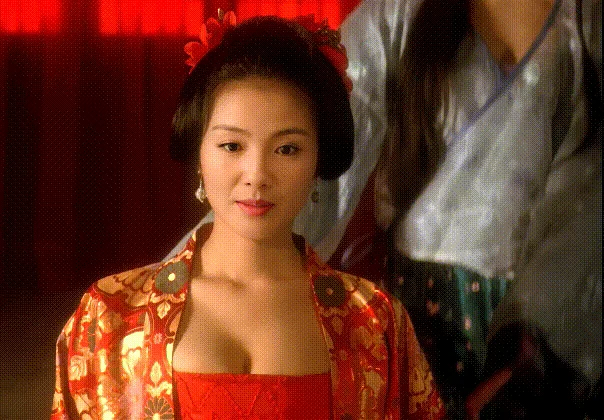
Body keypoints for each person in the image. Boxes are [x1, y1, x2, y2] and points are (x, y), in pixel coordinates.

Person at [178, 0, 601, 418]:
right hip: (420, 305)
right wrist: (198, 282)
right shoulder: (399, 15)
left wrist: (536, 351)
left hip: (556, 307)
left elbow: (590, 199)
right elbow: (307, 156)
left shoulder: (586, 20)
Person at [51, 13, 444, 420]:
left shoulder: (372, 321)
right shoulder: (110, 315)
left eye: (287, 149)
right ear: (199, 154)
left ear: (318, 161)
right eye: (232, 146)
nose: (257, 175)